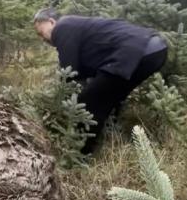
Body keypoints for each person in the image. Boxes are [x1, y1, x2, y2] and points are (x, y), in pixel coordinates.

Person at [33, 9, 168, 153]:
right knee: (110, 97)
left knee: (88, 103)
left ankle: (80, 153)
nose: (43, 39)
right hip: (155, 49)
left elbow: (69, 72)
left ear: (51, 22)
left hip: (135, 51)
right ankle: (110, 137)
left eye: (41, 33)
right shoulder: (76, 26)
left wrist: (58, 101)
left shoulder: (62, 26)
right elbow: (84, 69)